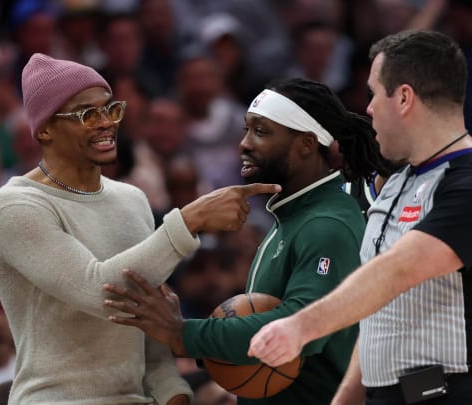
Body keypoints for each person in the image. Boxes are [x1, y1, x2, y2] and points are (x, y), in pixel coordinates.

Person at [0, 53, 280, 404]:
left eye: (111, 109)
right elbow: (99, 291)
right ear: (44, 129)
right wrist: (189, 221)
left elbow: (148, 322)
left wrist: (174, 394)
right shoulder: (12, 206)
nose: (106, 122)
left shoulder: (132, 199)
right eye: (87, 114)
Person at [248, 30, 472, 405]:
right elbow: (381, 308)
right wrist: (345, 398)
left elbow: (398, 271)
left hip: (458, 393)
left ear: (405, 98)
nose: (368, 109)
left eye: (374, 94)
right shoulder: (396, 186)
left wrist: (300, 326)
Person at [103, 77, 392, 404]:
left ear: (306, 144)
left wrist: (184, 335)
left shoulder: (326, 224)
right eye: (246, 130)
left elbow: (303, 327)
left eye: (261, 131)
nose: (244, 143)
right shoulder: (293, 216)